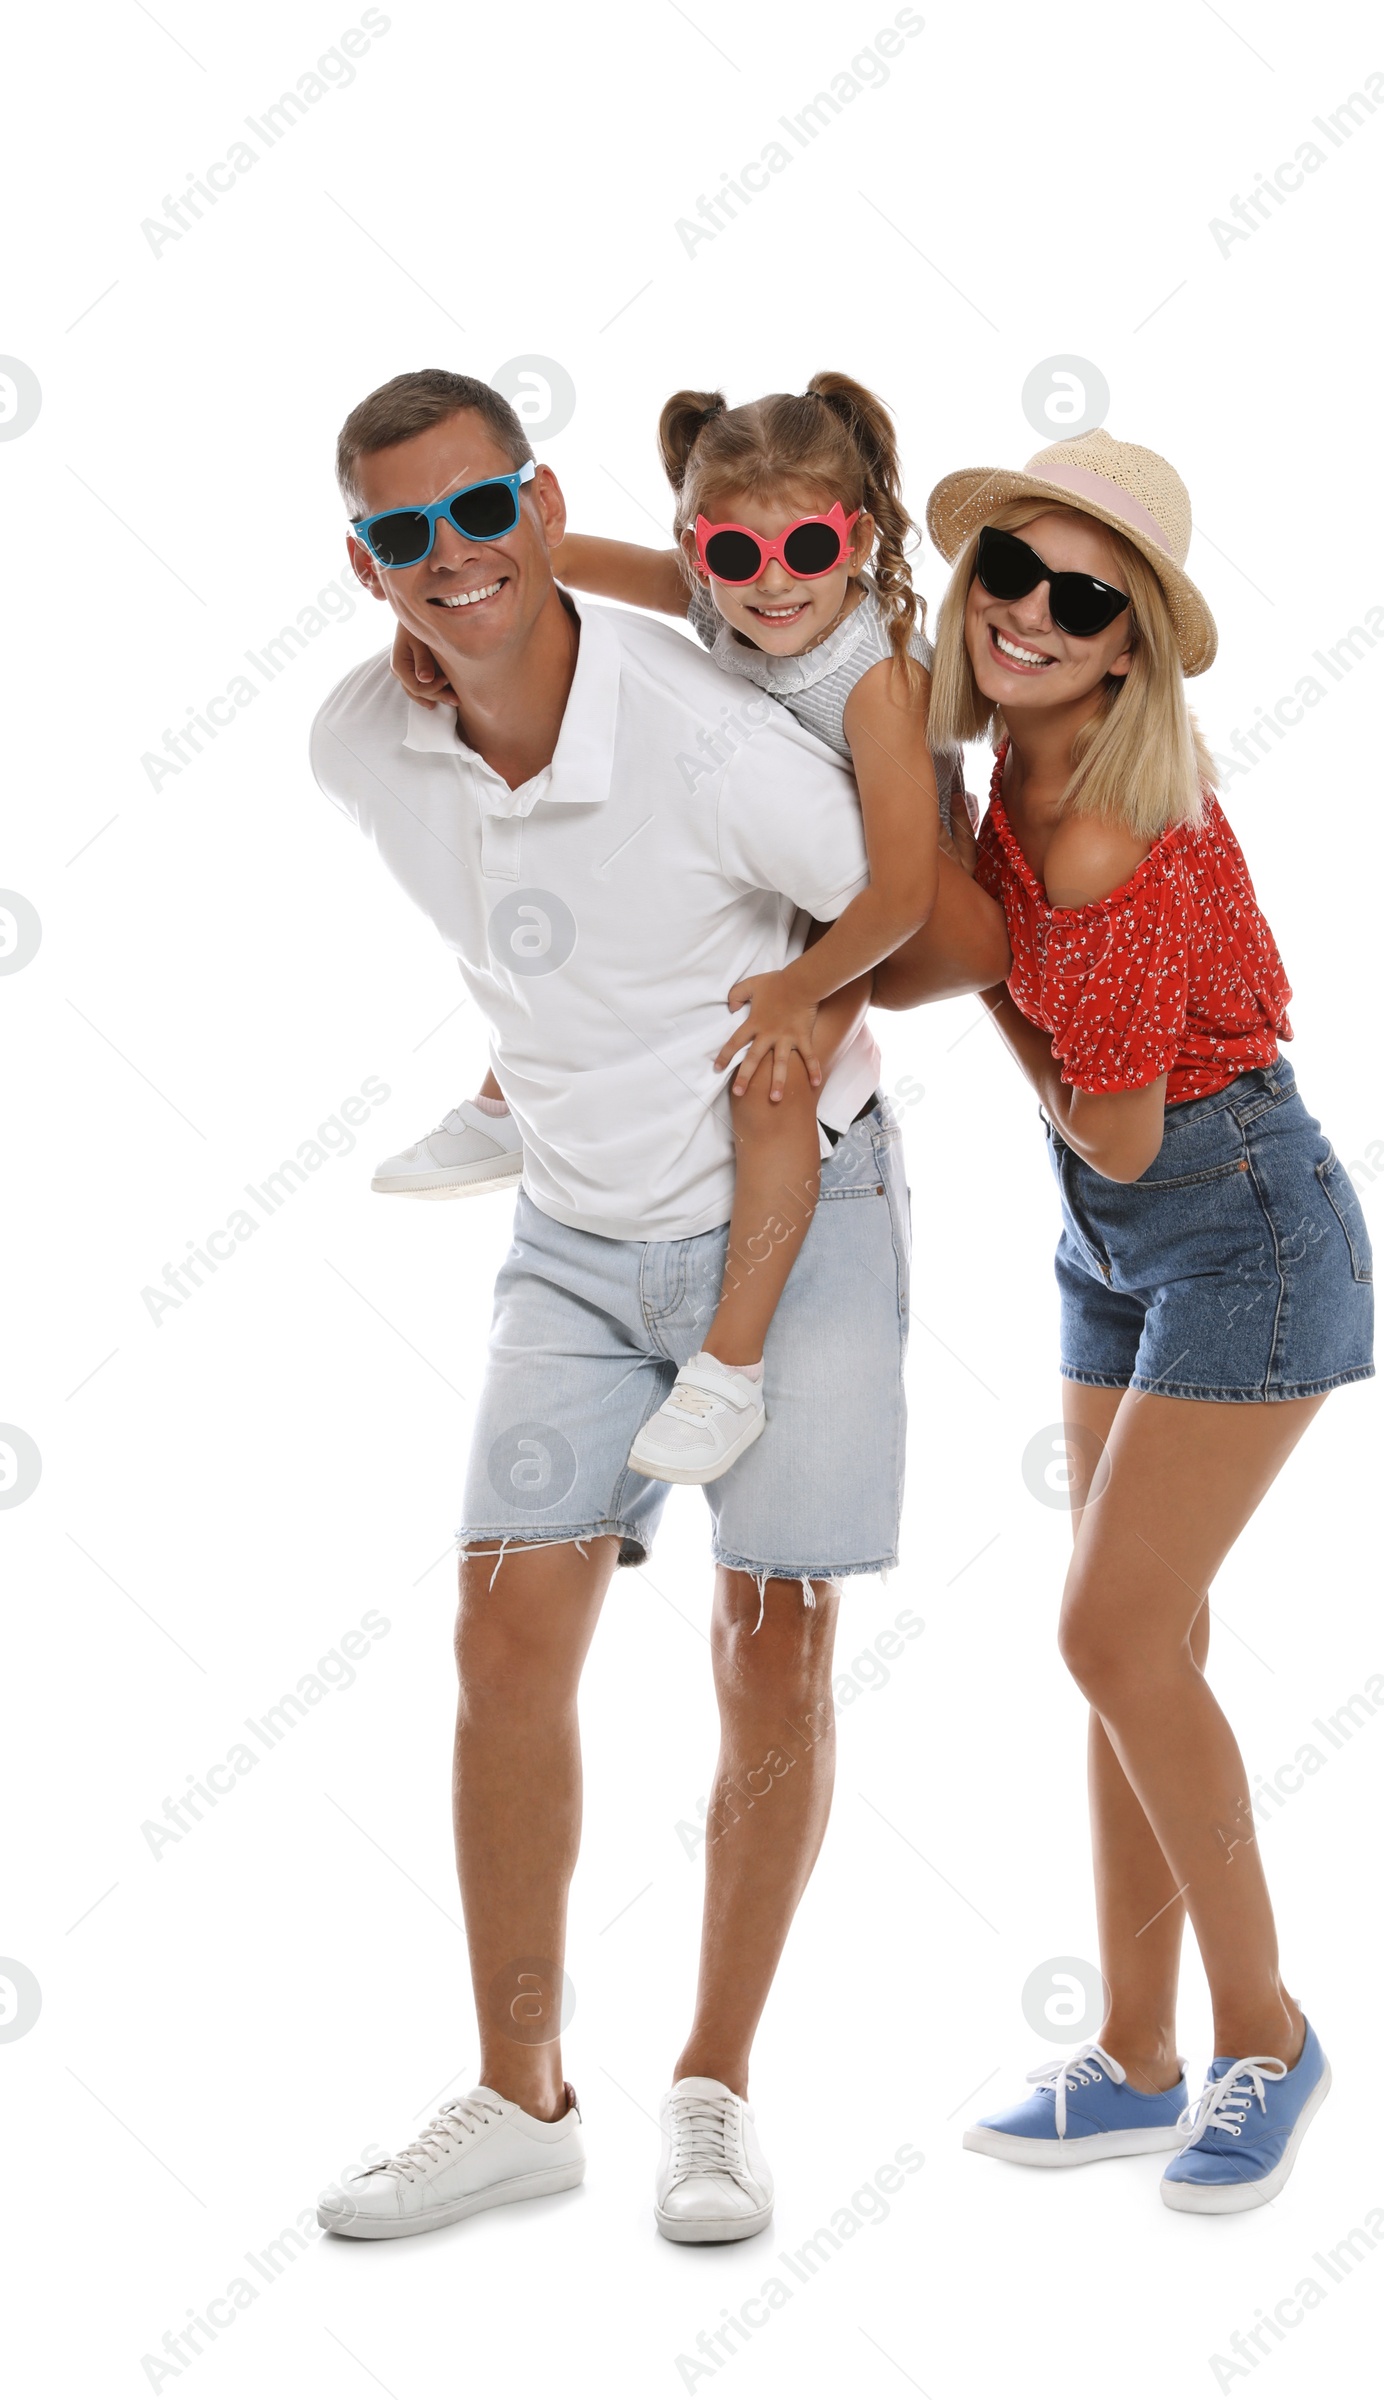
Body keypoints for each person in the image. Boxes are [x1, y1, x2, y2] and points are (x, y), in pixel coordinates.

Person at [306, 368, 1007, 2246]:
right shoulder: (360, 748)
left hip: (804, 1216)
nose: (447, 558)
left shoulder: (720, 733)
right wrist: (530, 1077)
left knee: (770, 1647)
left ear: (535, 507)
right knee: (503, 1631)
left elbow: (939, 927)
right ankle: (520, 2097)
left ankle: (713, 2090)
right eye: (399, 533)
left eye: (480, 514)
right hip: (579, 1235)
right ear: (363, 563)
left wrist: (805, 1010)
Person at [932, 430, 1373, 2212]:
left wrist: (978, 982)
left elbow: (1107, 1113)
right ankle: (1132, 2057)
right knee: (1143, 1654)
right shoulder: (1012, 766)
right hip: (1111, 1239)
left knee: (1109, 1643)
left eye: (1081, 595)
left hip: (1240, 1224)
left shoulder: (1102, 828)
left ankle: (1266, 2038)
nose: (1029, 612)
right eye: (1007, 577)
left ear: (1130, 644)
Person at [381, 373, 966, 1488]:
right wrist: (443, 635)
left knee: (774, 1083)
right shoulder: (716, 595)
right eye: (735, 558)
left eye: (806, 548)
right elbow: (547, 563)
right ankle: (511, 1106)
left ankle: (729, 1371)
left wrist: (802, 994)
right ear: (700, 553)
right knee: (591, 897)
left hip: (870, 903)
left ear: (856, 536)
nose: (774, 584)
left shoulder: (874, 678)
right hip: (771, 865)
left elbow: (901, 896)